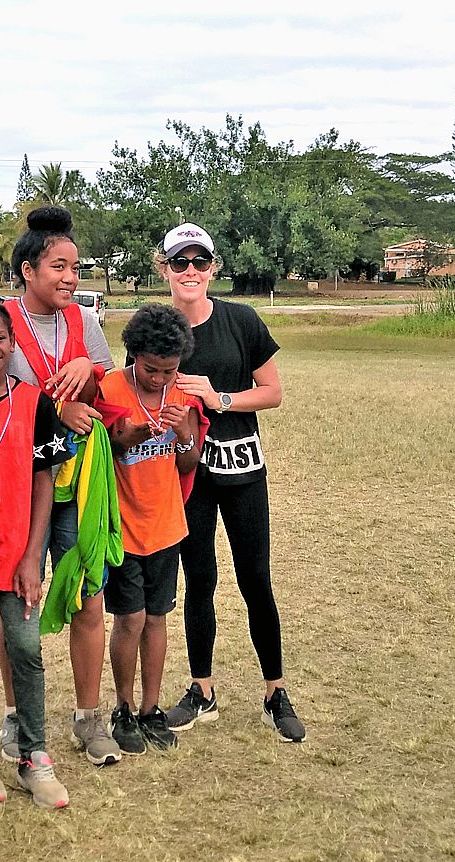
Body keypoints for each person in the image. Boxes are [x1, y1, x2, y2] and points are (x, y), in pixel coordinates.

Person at [156, 223, 306, 742]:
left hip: (242, 467)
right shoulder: (157, 329)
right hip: (187, 473)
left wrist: (219, 397)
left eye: (200, 262)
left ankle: (275, 692)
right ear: (164, 268)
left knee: (255, 581)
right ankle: (202, 690)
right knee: (199, 580)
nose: (190, 271)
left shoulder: (241, 320)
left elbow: (272, 392)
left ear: (213, 268)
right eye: (181, 262)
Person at [2, 206, 120, 768]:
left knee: (87, 596)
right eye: (59, 266)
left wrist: (91, 375)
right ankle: (16, 717)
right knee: (14, 603)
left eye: (76, 266)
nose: (71, 277)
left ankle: (88, 718)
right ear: (28, 270)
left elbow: (108, 377)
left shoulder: (85, 321)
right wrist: (58, 403)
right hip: (22, 483)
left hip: (79, 484)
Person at [0, 296, 73, 808]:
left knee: (25, 649)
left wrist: (32, 555)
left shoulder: (33, 402)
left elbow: (43, 482)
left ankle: (34, 757)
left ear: (13, 341)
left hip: (16, 552)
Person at [100, 305, 204, 754]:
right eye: (151, 369)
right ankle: (122, 707)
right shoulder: (109, 388)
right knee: (131, 618)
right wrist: (126, 437)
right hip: (122, 526)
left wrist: (185, 435)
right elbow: (100, 451)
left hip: (166, 526)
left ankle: (150, 708)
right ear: (132, 355)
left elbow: (188, 464)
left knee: (158, 617)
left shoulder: (184, 396)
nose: (160, 380)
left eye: (169, 370)